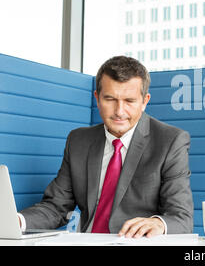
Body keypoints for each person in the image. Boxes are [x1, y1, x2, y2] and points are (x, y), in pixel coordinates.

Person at [18, 56, 193, 238]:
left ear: (144, 101)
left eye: (129, 101)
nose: (119, 111)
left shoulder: (170, 141)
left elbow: (181, 218)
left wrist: (158, 223)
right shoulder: (78, 141)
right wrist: (18, 221)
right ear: (97, 98)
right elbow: (56, 207)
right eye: (110, 99)